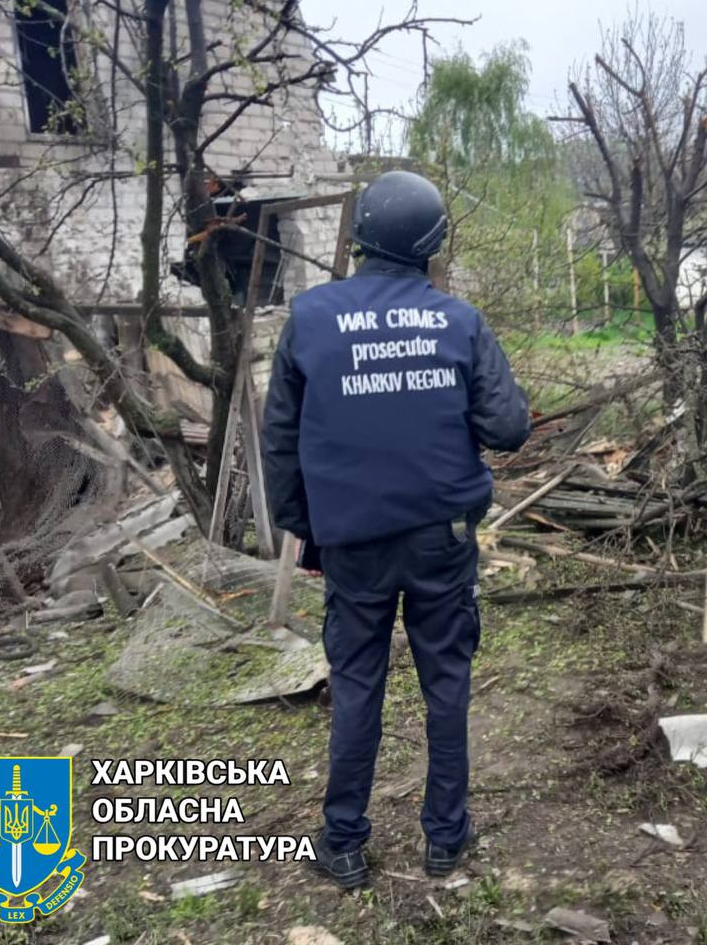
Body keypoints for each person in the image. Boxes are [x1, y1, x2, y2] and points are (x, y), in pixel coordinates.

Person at [262, 170, 531, 890]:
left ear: (359, 237)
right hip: (443, 537)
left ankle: (343, 842)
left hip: (351, 542)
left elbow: (279, 441)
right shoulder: (459, 322)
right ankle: (446, 838)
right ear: (431, 244)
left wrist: (307, 532)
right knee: (447, 682)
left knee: (356, 684)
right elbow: (509, 427)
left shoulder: (310, 318)